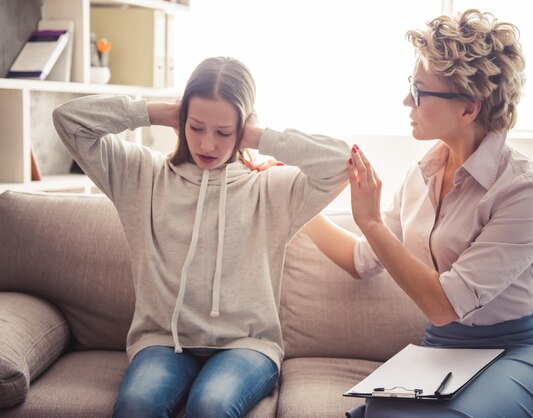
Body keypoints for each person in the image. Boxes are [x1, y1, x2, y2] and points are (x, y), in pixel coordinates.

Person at [304, 9, 533, 418]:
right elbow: (361, 261)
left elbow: (444, 305)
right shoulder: (422, 175)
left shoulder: (526, 191)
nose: (406, 101)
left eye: (419, 91)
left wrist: (371, 220)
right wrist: (295, 204)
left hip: (524, 349)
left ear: (468, 108)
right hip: (444, 348)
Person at [53, 56, 349, 418]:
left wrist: (257, 136)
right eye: (196, 127)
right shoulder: (140, 175)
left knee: (211, 406)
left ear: (243, 126)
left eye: (224, 132)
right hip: (163, 342)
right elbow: (68, 121)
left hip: (246, 346)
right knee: (137, 405)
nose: (208, 143)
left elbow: (341, 162)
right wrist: (154, 112)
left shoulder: (270, 189)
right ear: (181, 119)